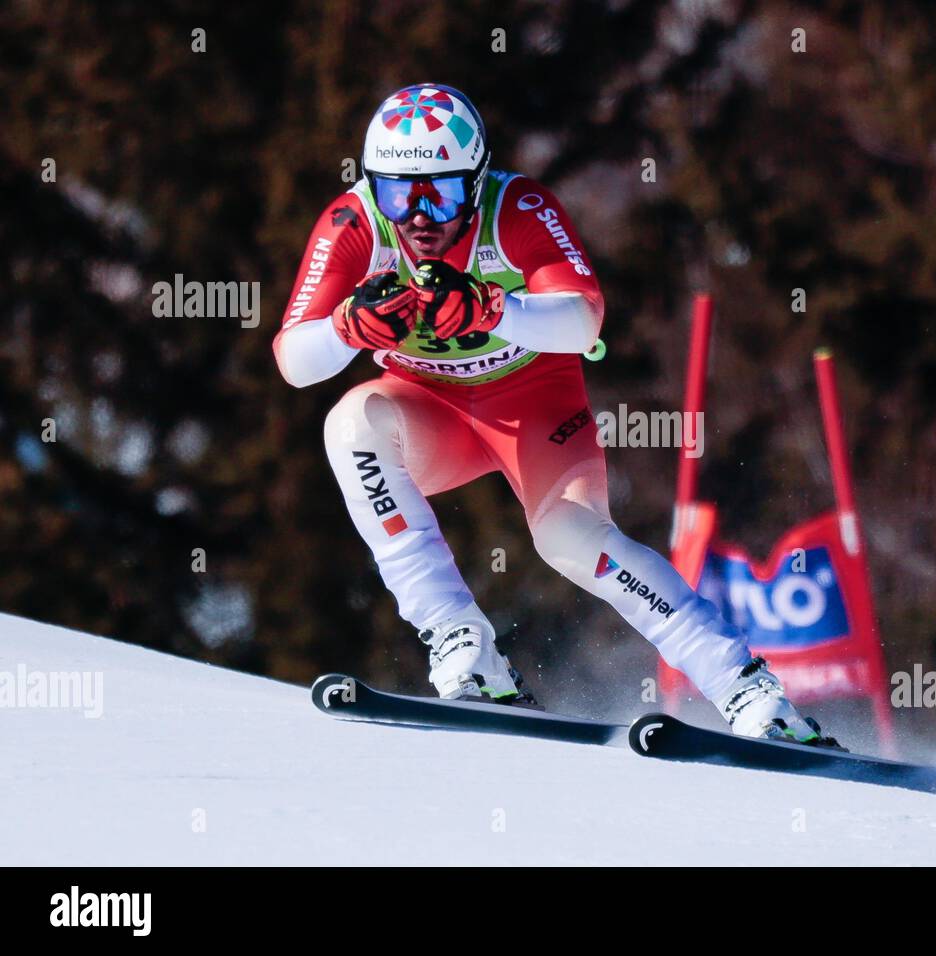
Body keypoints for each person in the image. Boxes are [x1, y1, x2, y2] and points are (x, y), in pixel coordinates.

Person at [274, 83, 827, 742]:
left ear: (476, 182)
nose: (419, 217)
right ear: (373, 186)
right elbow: (293, 359)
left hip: (532, 405)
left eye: (441, 193)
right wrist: (347, 327)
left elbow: (582, 317)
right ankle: (462, 647)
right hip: (430, 409)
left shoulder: (519, 208)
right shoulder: (353, 224)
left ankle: (746, 687)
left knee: (571, 539)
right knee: (351, 425)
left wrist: (493, 308)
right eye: (399, 193)